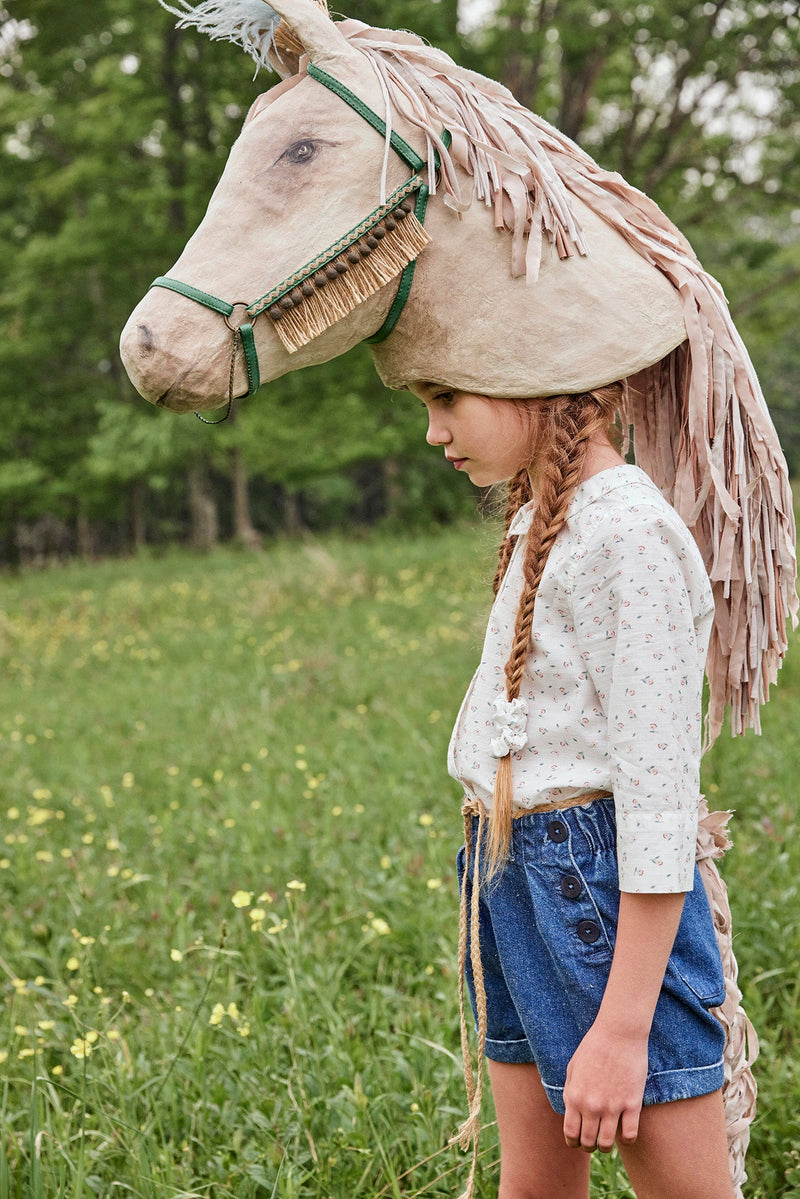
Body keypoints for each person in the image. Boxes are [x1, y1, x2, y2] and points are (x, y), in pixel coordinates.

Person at [411, 379, 736, 1199]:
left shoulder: (626, 532)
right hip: (511, 871)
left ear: (536, 384)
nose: (434, 431)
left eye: (447, 398)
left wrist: (623, 1029)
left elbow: (658, 804)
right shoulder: (551, 515)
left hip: (593, 890)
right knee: (535, 1188)